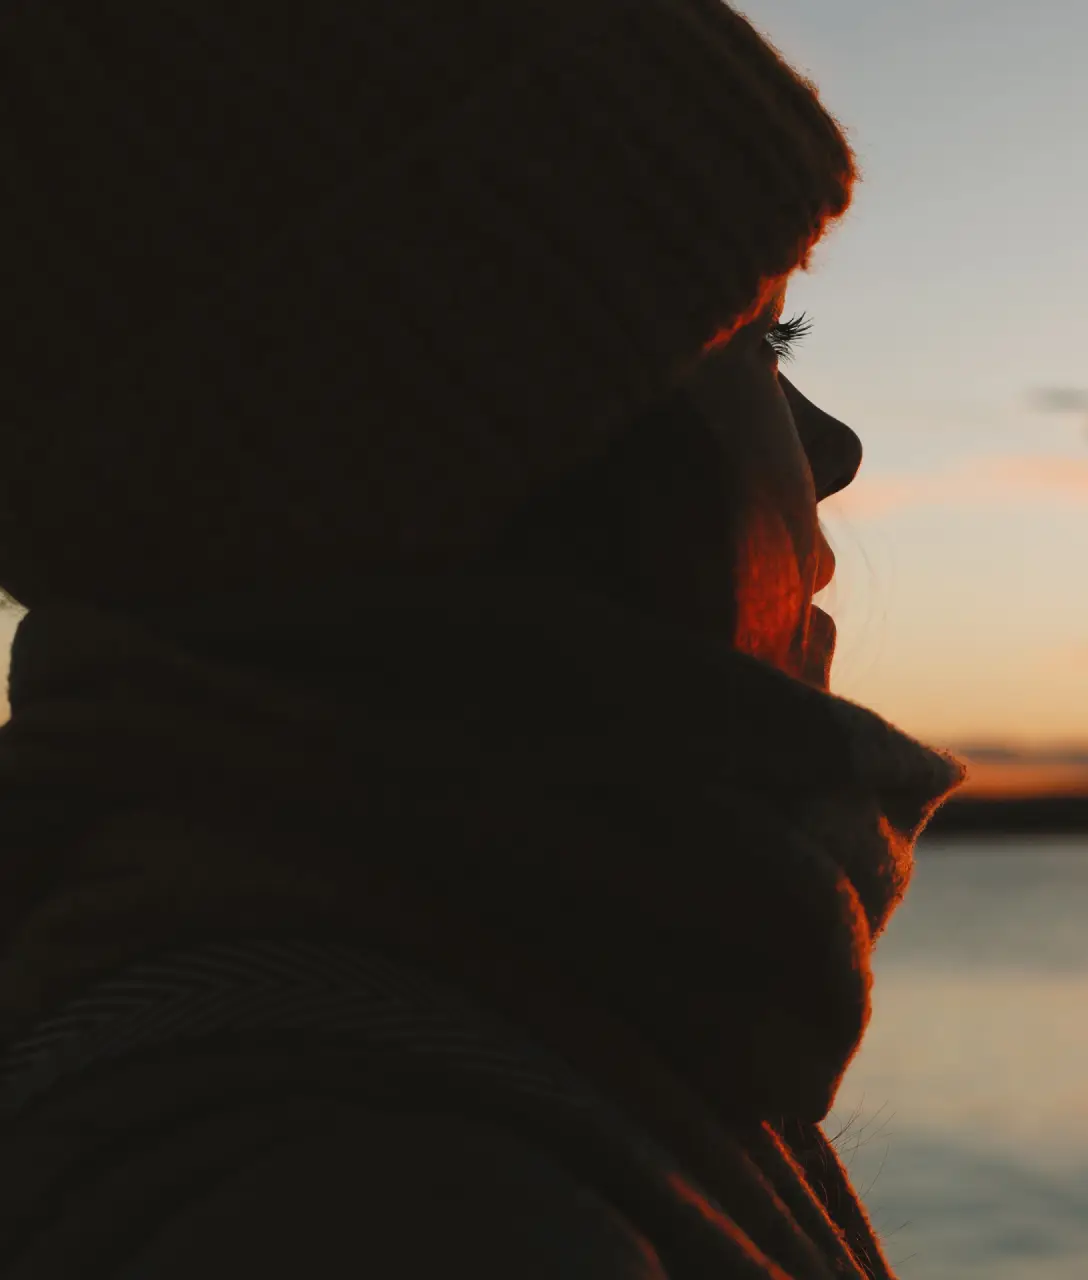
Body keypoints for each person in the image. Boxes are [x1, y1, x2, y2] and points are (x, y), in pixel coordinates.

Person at [0, 4, 961, 1277]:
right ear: (498, 440)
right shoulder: (376, 1190)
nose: (833, 451)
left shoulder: (509, 1007)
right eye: (758, 338)